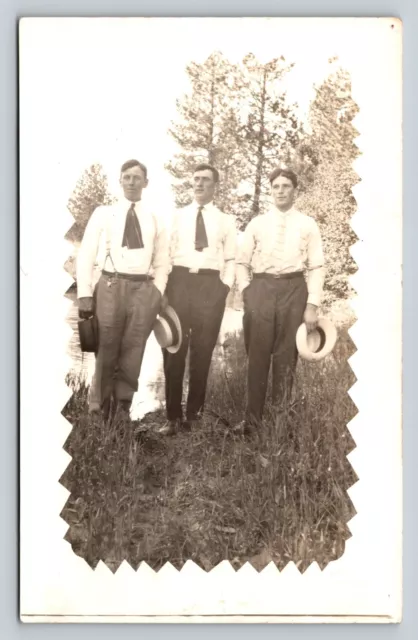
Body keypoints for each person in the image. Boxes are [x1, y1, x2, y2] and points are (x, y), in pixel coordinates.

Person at [234, 167, 325, 435]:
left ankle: (279, 424)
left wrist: (312, 304)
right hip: (261, 289)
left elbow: (317, 266)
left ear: (295, 190)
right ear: (270, 191)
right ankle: (252, 422)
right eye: (276, 187)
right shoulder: (257, 224)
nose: (281, 191)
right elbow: (241, 262)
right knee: (257, 355)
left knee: (287, 356)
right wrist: (247, 291)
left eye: (286, 186)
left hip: (294, 289)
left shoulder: (308, 224)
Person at [76, 159, 169, 420]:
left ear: (146, 183)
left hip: (143, 289)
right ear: (120, 181)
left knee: (134, 348)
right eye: (126, 177)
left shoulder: (154, 217)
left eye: (136, 178)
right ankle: (97, 410)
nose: (131, 182)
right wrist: (84, 292)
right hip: (110, 285)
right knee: (106, 347)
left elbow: (163, 261)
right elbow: (86, 254)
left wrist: (158, 292)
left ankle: (121, 411)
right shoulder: (104, 213)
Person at [159, 163, 237, 435]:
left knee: (202, 352)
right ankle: (172, 417)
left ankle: (194, 416)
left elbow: (231, 259)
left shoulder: (225, 221)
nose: (200, 184)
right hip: (179, 282)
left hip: (209, 286)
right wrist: (165, 290)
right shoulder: (177, 217)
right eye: (196, 179)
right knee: (173, 350)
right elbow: (165, 254)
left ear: (216, 186)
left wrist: (224, 288)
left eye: (206, 180)